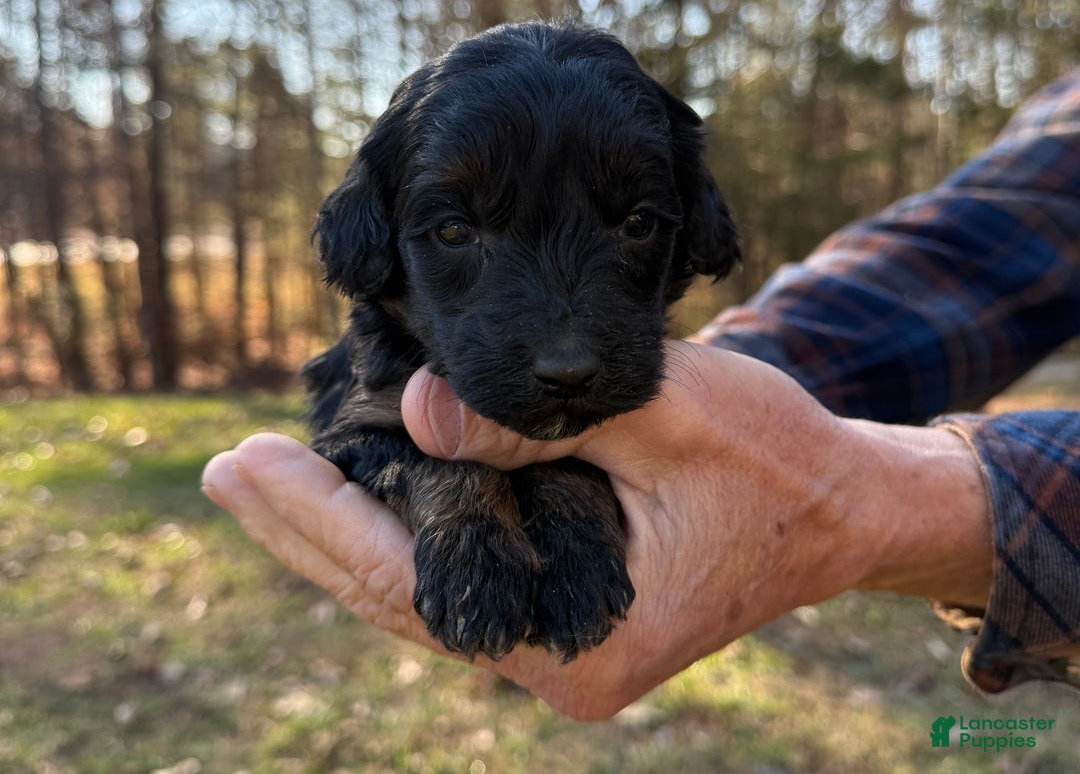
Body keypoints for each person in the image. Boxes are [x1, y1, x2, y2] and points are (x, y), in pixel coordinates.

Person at [202, 69, 1080, 721]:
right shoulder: (385, 337)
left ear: (679, 227)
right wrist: (457, 495)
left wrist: (582, 498)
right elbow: (994, 238)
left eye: (633, 226)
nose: (566, 345)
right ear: (383, 238)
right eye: (457, 228)